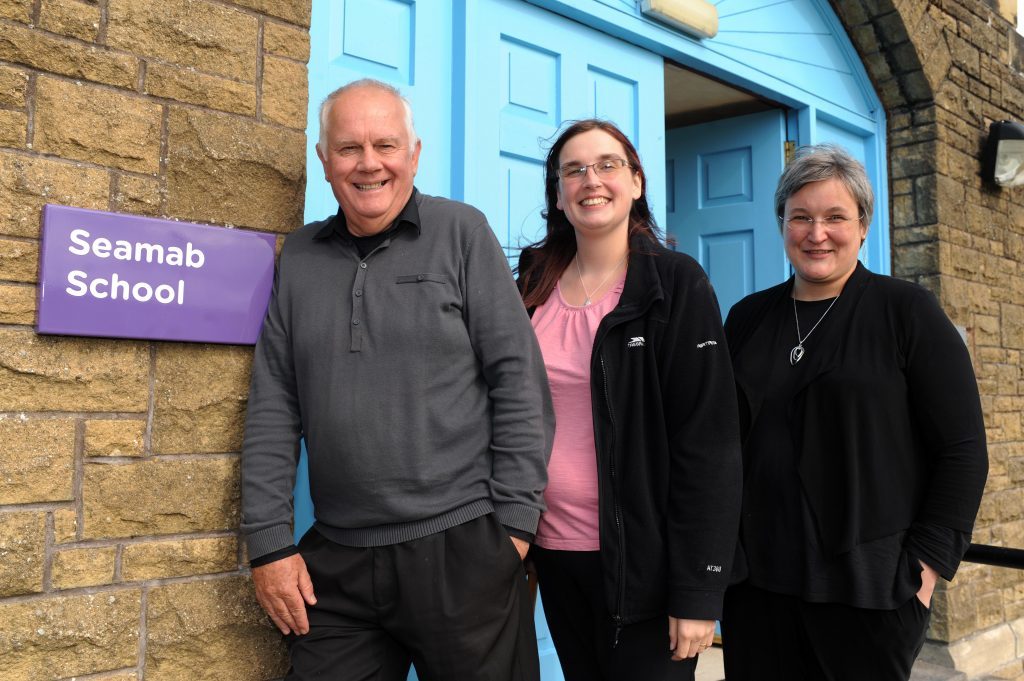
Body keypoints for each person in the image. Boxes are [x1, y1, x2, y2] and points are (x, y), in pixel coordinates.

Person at [240, 78, 554, 681]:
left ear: (413, 154)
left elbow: (518, 381)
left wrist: (512, 530)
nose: (369, 163)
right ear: (324, 161)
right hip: (336, 561)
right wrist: (270, 545)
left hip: (461, 548)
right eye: (349, 148)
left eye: (386, 145)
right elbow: (275, 404)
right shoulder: (300, 257)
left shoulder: (461, 233)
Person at [721, 144, 989, 680]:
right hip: (757, 588)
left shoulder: (906, 312)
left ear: (863, 226)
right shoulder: (748, 318)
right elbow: (721, 440)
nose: (816, 233)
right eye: (800, 217)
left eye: (835, 217)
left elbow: (962, 451)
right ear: (782, 225)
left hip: (869, 590)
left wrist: (926, 570)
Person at [515, 119, 743, 681]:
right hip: (553, 551)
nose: (591, 179)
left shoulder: (675, 283)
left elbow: (708, 443)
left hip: (647, 565)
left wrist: (698, 590)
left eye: (608, 165)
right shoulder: (533, 281)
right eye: (573, 170)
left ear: (637, 182)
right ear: (559, 194)